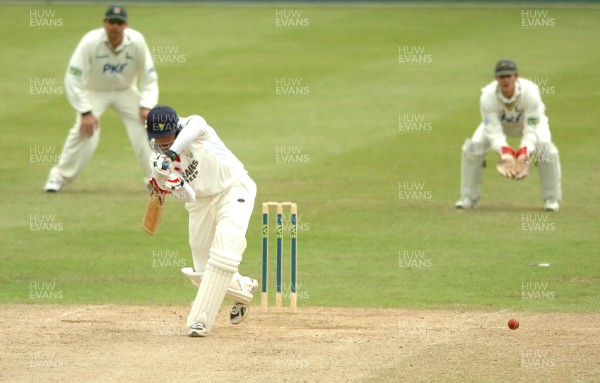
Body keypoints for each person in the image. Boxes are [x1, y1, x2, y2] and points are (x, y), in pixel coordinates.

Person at [146, 105, 258, 337]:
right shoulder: (156, 161)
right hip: (199, 204)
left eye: (167, 136)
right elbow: (189, 196)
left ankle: (200, 322)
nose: (164, 142)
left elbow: (196, 128)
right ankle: (243, 288)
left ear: (175, 128)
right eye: (159, 139)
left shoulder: (192, 125)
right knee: (202, 273)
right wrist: (173, 182)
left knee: (227, 242)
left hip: (233, 187)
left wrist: (171, 155)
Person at [44, 5, 158, 192]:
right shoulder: (90, 41)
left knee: (146, 126)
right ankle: (58, 178)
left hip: (125, 90)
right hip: (95, 91)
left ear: (126, 25)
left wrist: (146, 105)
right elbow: (73, 76)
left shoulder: (137, 41)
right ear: (104, 23)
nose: (115, 26)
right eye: (111, 22)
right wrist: (85, 111)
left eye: (119, 23)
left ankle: (155, 179)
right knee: (85, 129)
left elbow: (148, 75)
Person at [455, 59, 562, 211]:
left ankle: (551, 199)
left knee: (547, 151)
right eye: (501, 76)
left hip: (532, 125)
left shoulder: (531, 92)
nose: (505, 80)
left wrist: (523, 153)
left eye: (508, 76)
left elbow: (532, 129)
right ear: (496, 78)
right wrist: (506, 153)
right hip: (501, 125)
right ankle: (468, 198)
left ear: (516, 76)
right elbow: (493, 131)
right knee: (472, 149)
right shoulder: (487, 97)